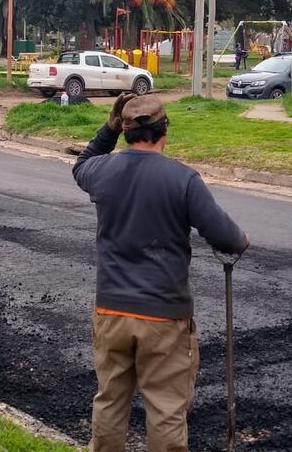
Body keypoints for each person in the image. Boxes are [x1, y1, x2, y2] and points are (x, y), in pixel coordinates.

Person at [72, 93, 249, 452]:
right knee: (166, 410)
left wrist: (108, 128)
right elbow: (224, 235)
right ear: (164, 129)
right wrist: (240, 242)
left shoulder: (102, 172)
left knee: (109, 401)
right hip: (164, 318)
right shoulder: (182, 180)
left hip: (111, 312)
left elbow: (82, 164)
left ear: (124, 133)